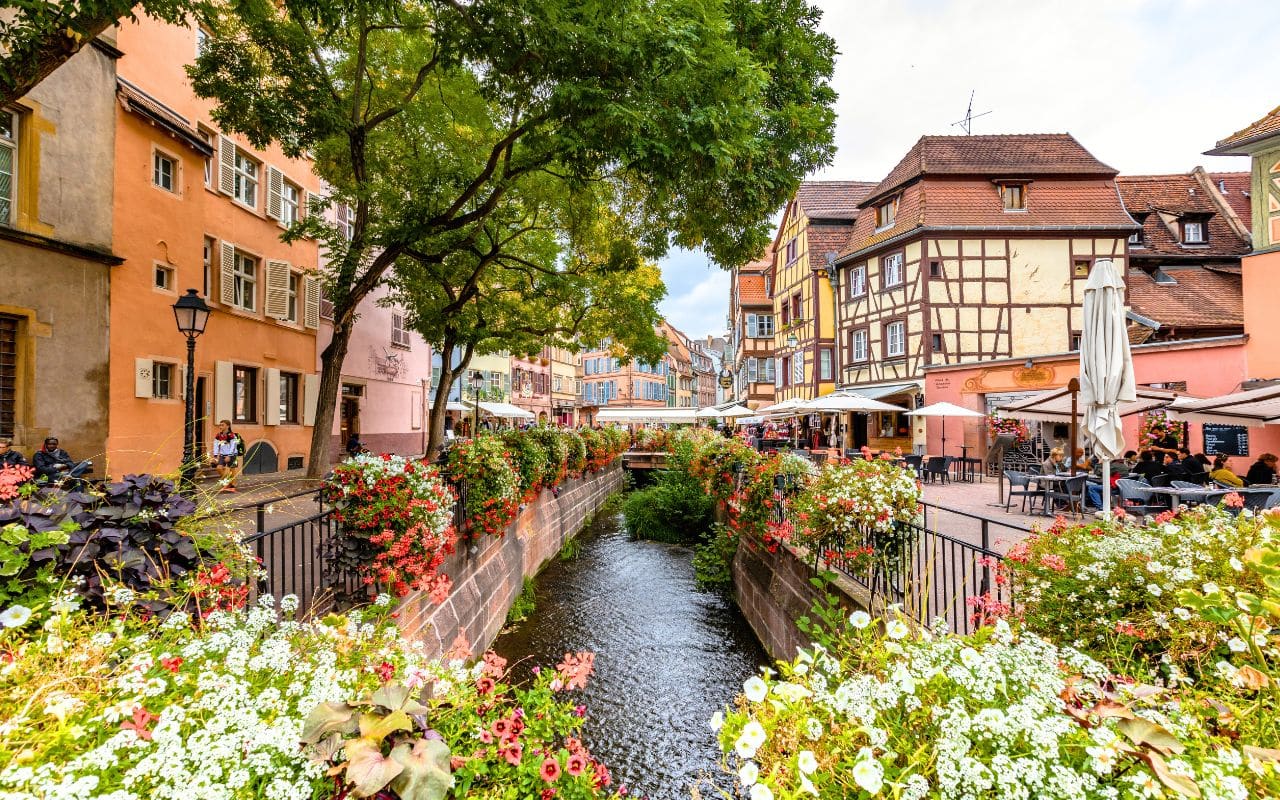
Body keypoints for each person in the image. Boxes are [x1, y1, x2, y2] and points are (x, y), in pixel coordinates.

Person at [211, 420, 242, 493]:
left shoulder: (231, 435)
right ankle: (228, 482)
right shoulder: (218, 435)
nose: (220, 426)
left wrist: (229, 455)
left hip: (232, 454)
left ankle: (232, 486)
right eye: (220, 425)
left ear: (228, 426)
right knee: (219, 468)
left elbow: (233, 446)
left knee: (232, 470)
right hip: (222, 455)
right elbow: (215, 445)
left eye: (222, 425)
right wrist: (215, 456)